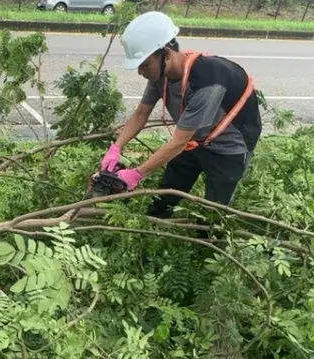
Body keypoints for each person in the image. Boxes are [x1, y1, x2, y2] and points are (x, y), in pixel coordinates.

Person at [100, 11, 262, 217]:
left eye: (144, 65)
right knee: (165, 197)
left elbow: (178, 141)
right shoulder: (160, 75)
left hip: (230, 147)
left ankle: (208, 240)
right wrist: (116, 147)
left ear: (166, 53)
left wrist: (136, 174)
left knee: (214, 213)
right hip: (193, 139)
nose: (141, 72)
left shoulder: (206, 82)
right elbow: (141, 113)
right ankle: (155, 226)